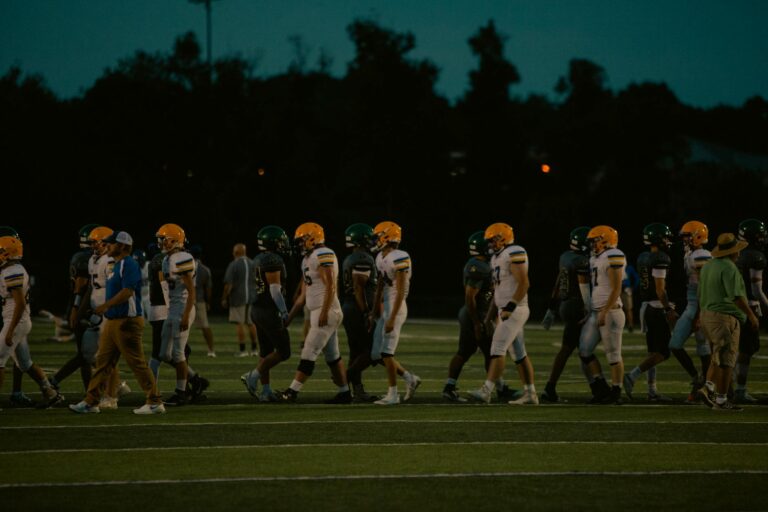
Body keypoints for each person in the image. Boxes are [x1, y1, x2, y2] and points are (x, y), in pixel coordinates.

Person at [69, 231, 165, 415]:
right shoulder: (116, 264)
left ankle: (154, 401)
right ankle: (91, 401)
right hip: (113, 320)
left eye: (112, 244)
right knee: (103, 363)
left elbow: (128, 292)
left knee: (137, 363)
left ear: (122, 246)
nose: (108, 246)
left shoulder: (128, 264)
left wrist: (105, 305)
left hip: (126, 321)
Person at [281, 222, 351, 403]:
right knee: (333, 357)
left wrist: (324, 311)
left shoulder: (323, 253)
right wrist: (289, 316)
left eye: (302, 240)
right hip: (319, 310)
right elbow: (303, 295)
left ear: (312, 238)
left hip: (326, 310)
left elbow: (331, 285)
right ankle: (344, 392)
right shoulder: (308, 258)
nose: (299, 244)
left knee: (309, 351)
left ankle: (292, 391)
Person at [468, 222, 537, 405]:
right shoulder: (496, 257)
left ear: (503, 237)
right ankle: (531, 393)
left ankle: (487, 390)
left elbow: (524, 283)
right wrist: (491, 314)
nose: (490, 244)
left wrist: (510, 307)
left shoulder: (515, 252)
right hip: (505, 310)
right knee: (519, 354)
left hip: (515, 309)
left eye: (493, 239)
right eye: (489, 241)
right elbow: (498, 291)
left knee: (497, 348)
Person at [697, 232, 759, 411]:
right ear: (732, 251)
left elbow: (700, 292)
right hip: (724, 316)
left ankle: (715, 393)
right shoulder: (730, 268)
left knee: (721, 358)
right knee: (724, 358)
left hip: (707, 314)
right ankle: (714, 393)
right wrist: (751, 316)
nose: (739, 253)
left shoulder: (709, 265)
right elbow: (737, 297)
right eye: (737, 250)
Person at [0, 235, 63, 408]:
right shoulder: (9, 270)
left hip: (16, 321)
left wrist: (11, 329)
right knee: (25, 363)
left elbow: (19, 303)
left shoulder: (12, 271)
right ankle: (50, 392)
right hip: (17, 321)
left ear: (8, 253)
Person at [442, 231, 502, 403]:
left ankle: (450, 387)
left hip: (479, 313)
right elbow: (470, 297)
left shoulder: (485, 263)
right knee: (490, 353)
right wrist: (477, 322)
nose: (492, 245)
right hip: (475, 313)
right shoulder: (478, 266)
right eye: (489, 243)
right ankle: (495, 388)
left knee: (473, 351)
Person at [623, 223, 678, 402]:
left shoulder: (643, 257)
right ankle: (632, 375)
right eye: (665, 237)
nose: (668, 240)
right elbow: (660, 289)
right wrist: (668, 309)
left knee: (652, 352)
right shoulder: (660, 258)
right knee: (663, 352)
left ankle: (652, 391)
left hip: (646, 307)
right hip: (657, 308)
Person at [368, 221, 421, 405]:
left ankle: (392, 394)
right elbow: (380, 286)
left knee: (386, 353)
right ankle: (409, 378)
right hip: (387, 308)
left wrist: (391, 317)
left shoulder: (400, 256)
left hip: (397, 308)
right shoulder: (380, 257)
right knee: (376, 354)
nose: (375, 239)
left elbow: (400, 291)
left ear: (387, 237)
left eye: (378, 235)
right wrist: (374, 311)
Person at [155, 223, 207, 406]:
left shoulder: (183, 257)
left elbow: (191, 291)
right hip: (173, 309)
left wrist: (185, 315)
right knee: (164, 354)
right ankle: (196, 380)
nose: (160, 242)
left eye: (164, 239)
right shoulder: (166, 259)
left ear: (175, 241)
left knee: (178, 354)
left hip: (184, 307)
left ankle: (181, 392)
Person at [240, 226, 293, 402]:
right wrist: (284, 311)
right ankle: (253, 376)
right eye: (280, 241)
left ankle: (266, 391)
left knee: (265, 352)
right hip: (268, 310)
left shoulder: (258, 258)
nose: (283, 244)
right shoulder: (272, 259)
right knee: (284, 351)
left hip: (257, 309)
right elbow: (275, 290)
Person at [540, 226, 592, 404]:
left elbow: (558, 282)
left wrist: (551, 308)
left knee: (580, 348)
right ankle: (550, 387)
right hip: (576, 305)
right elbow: (584, 286)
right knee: (578, 349)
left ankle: (596, 386)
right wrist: (589, 307)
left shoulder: (565, 256)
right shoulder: (581, 260)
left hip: (564, 304)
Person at [47, 224, 99, 398]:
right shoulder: (88, 258)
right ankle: (55, 380)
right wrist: (77, 308)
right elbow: (81, 286)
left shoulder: (80, 256)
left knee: (85, 354)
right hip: (85, 309)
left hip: (81, 307)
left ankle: (89, 391)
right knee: (86, 355)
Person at [578, 225, 626, 405]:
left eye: (595, 240)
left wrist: (605, 311)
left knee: (613, 354)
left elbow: (616, 288)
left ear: (606, 239)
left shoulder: (614, 255)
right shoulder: (596, 258)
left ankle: (616, 391)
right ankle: (601, 387)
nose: (592, 245)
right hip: (598, 311)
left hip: (611, 311)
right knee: (584, 351)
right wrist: (592, 310)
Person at [668, 220, 712, 403]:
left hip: (701, 304)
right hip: (691, 303)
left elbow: (705, 287)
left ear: (698, 236)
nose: (685, 239)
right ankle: (698, 378)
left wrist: (699, 314)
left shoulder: (701, 254)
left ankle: (706, 387)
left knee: (703, 347)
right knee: (675, 344)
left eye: (687, 235)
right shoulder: (690, 253)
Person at [340, 223, 379, 402]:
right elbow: (358, 288)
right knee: (372, 352)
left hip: (349, 306)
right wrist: (366, 312)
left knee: (356, 352)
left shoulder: (352, 257)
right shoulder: (363, 258)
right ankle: (345, 378)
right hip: (357, 308)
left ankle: (357, 391)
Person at [733, 218, 768, 403]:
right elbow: (756, 290)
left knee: (734, 348)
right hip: (748, 306)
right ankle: (739, 389)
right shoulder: (755, 256)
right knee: (747, 350)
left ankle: (725, 385)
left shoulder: (735, 252)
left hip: (731, 305)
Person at [222, 242, 258, 356]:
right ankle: (254, 349)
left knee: (240, 323)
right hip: (252, 297)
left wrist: (224, 298)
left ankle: (243, 350)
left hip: (238, 297)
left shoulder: (234, 265)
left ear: (236, 252)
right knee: (251, 323)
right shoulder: (253, 263)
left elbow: (229, 284)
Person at [189, 244, 216, 357]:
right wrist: (208, 302)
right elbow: (208, 288)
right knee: (205, 326)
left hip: (187, 300)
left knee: (183, 327)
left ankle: (180, 351)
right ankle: (211, 350)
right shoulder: (205, 270)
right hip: (199, 300)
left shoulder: (185, 266)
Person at [621, 264, 639, 332]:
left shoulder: (629, 267)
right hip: (616, 290)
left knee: (628, 309)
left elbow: (637, 278)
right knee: (616, 309)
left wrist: (633, 288)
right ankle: (618, 325)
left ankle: (630, 325)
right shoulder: (615, 266)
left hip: (625, 289)